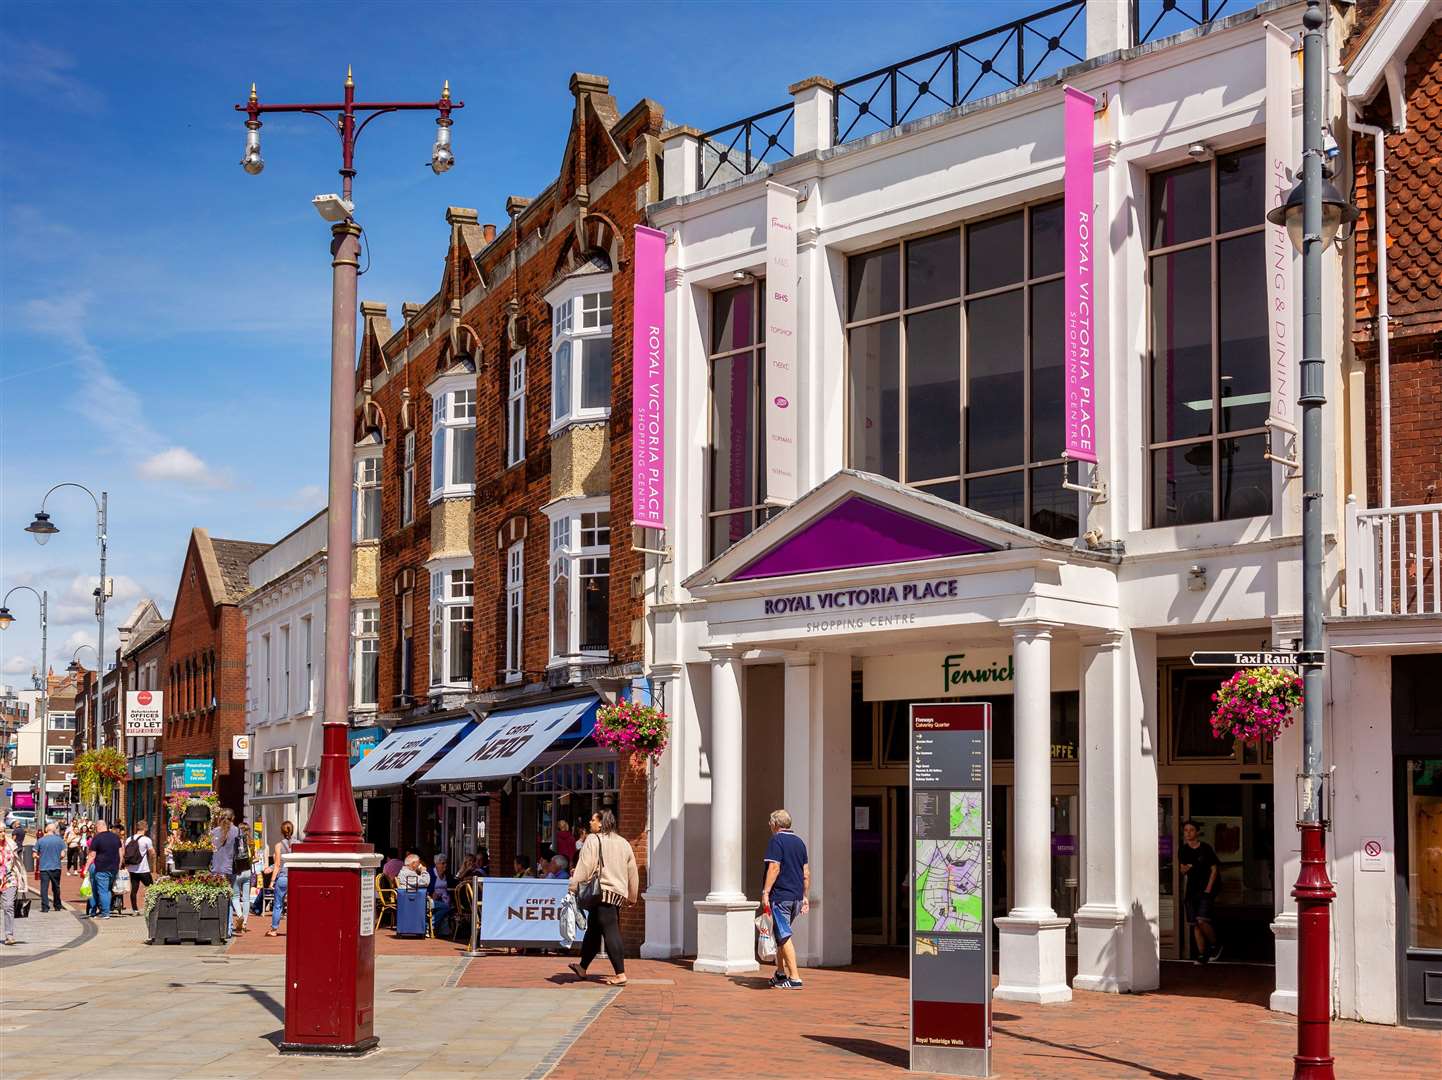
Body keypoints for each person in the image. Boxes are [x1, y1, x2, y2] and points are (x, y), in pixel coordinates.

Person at [566, 809, 639, 987]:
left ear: (601, 823)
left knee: (610, 930)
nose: (590, 823)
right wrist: (632, 896)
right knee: (594, 930)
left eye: (593, 820)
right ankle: (583, 967)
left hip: (601, 892)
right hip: (616, 893)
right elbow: (632, 872)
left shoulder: (593, 839)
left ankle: (620, 973)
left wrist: (573, 888)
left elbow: (584, 865)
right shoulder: (624, 843)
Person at [760, 808, 811, 989]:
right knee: (780, 934)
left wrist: (766, 892)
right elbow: (806, 873)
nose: (769, 825)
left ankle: (795, 977)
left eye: (770, 822)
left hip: (781, 896)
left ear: (775, 824)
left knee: (784, 935)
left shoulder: (776, 840)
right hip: (796, 897)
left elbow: (774, 868)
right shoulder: (800, 842)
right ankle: (780, 973)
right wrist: (805, 897)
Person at [1179, 819, 1222, 964]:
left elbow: (1214, 869)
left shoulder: (1205, 848)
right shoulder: (1183, 849)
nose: (1188, 833)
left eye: (1191, 830)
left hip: (1205, 889)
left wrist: (1209, 889)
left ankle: (1215, 944)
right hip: (1191, 889)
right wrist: (1186, 868)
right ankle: (1202, 954)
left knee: (1202, 919)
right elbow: (1182, 869)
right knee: (1195, 923)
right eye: (1186, 830)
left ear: (1197, 832)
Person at [210, 809, 241, 937]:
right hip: (230, 869)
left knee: (218, 898)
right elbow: (240, 851)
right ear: (232, 818)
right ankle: (228, 929)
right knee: (229, 898)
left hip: (216, 869)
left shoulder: (214, 832)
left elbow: (210, 850)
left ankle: (218, 927)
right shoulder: (237, 831)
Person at [83, 819, 123, 920]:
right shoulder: (115, 837)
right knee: (108, 890)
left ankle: (105, 913)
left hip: (101, 868)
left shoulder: (97, 838)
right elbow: (121, 853)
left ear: (98, 827)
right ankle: (105, 910)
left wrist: (85, 869)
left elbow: (92, 856)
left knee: (103, 891)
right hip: (113, 868)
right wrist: (119, 865)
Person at [265, 820, 295, 937]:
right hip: (295, 877)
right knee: (295, 905)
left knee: (278, 904)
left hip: (283, 878)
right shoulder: (298, 843)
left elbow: (277, 864)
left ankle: (274, 929)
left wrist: (272, 881)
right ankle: (295, 928)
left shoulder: (278, 846)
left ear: (281, 832)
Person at [1, 827, 28, 945]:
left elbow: (18, 862)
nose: (2, 833)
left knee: (8, 906)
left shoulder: (11, 844)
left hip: (9, 878)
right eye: (0, 831)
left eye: (3, 831)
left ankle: (9, 935)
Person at [123, 821, 155, 915]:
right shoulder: (146, 840)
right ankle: (151, 907)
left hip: (132, 869)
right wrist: (152, 861)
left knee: (134, 890)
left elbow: (126, 852)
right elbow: (152, 852)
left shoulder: (129, 839)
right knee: (151, 888)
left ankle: (135, 910)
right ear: (145, 828)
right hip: (143, 869)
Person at [36, 822, 65, 913]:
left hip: (44, 867)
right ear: (54, 830)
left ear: (46, 830)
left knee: (44, 888)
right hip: (56, 866)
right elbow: (62, 854)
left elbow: (34, 854)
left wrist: (41, 857)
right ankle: (57, 905)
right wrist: (56, 857)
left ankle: (45, 907)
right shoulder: (59, 840)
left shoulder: (40, 840)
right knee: (56, 887)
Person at [428, 854, 454, 936]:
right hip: (432, 899)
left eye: (446, 863)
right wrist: (431, 894)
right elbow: (425, 887)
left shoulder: (447, 875)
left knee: (447, 907)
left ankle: (434, 927)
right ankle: (431, 925)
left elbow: (454, 885)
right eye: (442, 863)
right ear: (436, 864)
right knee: (446, 907)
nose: (445, 865)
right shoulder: (430, 873)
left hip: (445, 899)